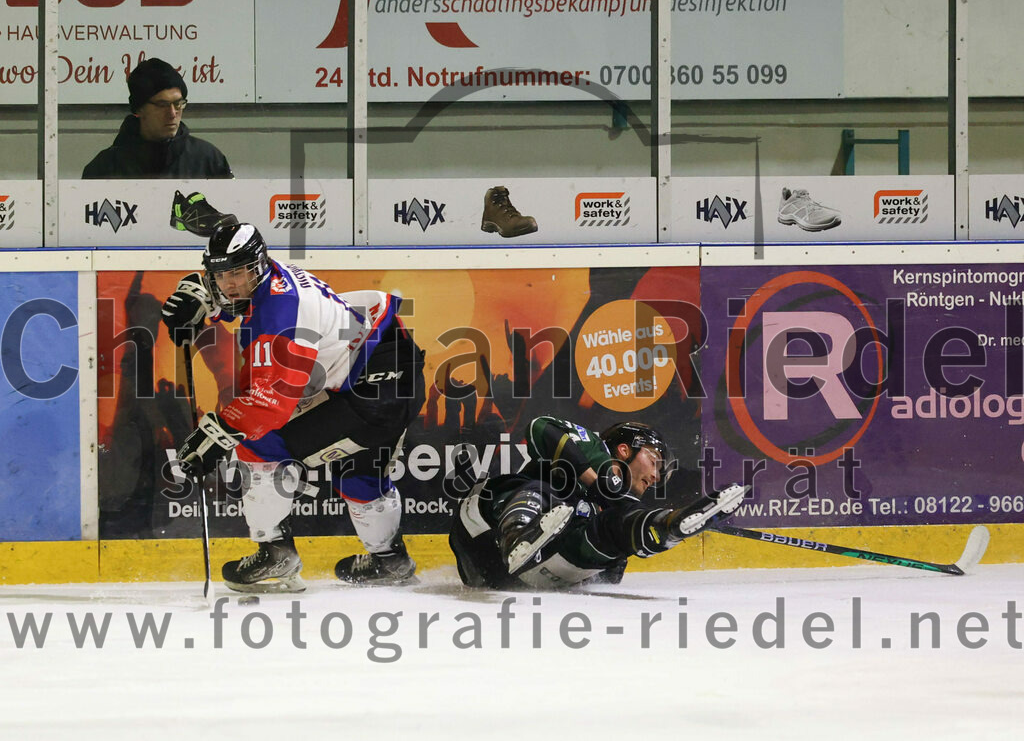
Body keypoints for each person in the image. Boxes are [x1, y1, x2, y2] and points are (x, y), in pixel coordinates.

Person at [160, 221, 425, 592]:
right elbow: (236, 293)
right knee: (357, 468)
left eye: (237, 272)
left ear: (258, 265)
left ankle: (275, 554)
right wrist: (196, 292)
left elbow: (271, 403)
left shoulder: (281, 318)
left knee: (257, 442)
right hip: (387, 363)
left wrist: (216, 435)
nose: (230, 283)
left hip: (376, 391)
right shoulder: (267, 277)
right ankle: (391, 561)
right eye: (221, 275)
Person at [448, 416, 745, 589]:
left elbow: (605, 578)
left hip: (517, 576)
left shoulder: (620, 503)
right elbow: (540, 427)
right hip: (483, 528)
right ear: (624, 449)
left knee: (611, 531)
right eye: (654, 462)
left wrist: (618, 541)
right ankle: (518, 533)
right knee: (548, 490)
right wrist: (594, 478)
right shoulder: (594, 448)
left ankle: (664, 527)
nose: (655, 476)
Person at [82, 57, 232, 179]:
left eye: (178, 104)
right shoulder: (104, 167)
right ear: (139, 109)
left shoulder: (208, 159)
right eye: (162, 105)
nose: (172, 113)